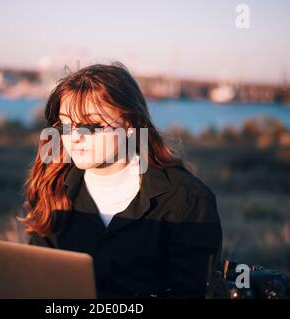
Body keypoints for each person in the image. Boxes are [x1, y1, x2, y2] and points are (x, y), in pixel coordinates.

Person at [18, 62, 222, 298]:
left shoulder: (186, 199)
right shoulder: (53, 186)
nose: (75, 138)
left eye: (92, 126)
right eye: (66, 126)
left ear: (131, 126)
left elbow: (193, 292)